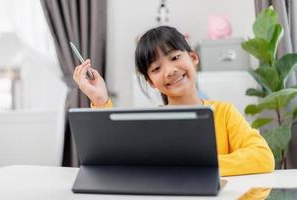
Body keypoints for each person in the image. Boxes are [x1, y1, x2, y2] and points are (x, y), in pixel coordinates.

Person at [73, 26, 275, 176]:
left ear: (194, 57)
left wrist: (194, 167)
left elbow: (262, 157)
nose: (170, 71)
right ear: (150, 82)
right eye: (156, 69)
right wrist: (100, 100)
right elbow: (112, 160)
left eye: (175, 57)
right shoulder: (150, 123)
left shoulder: (224, 113)